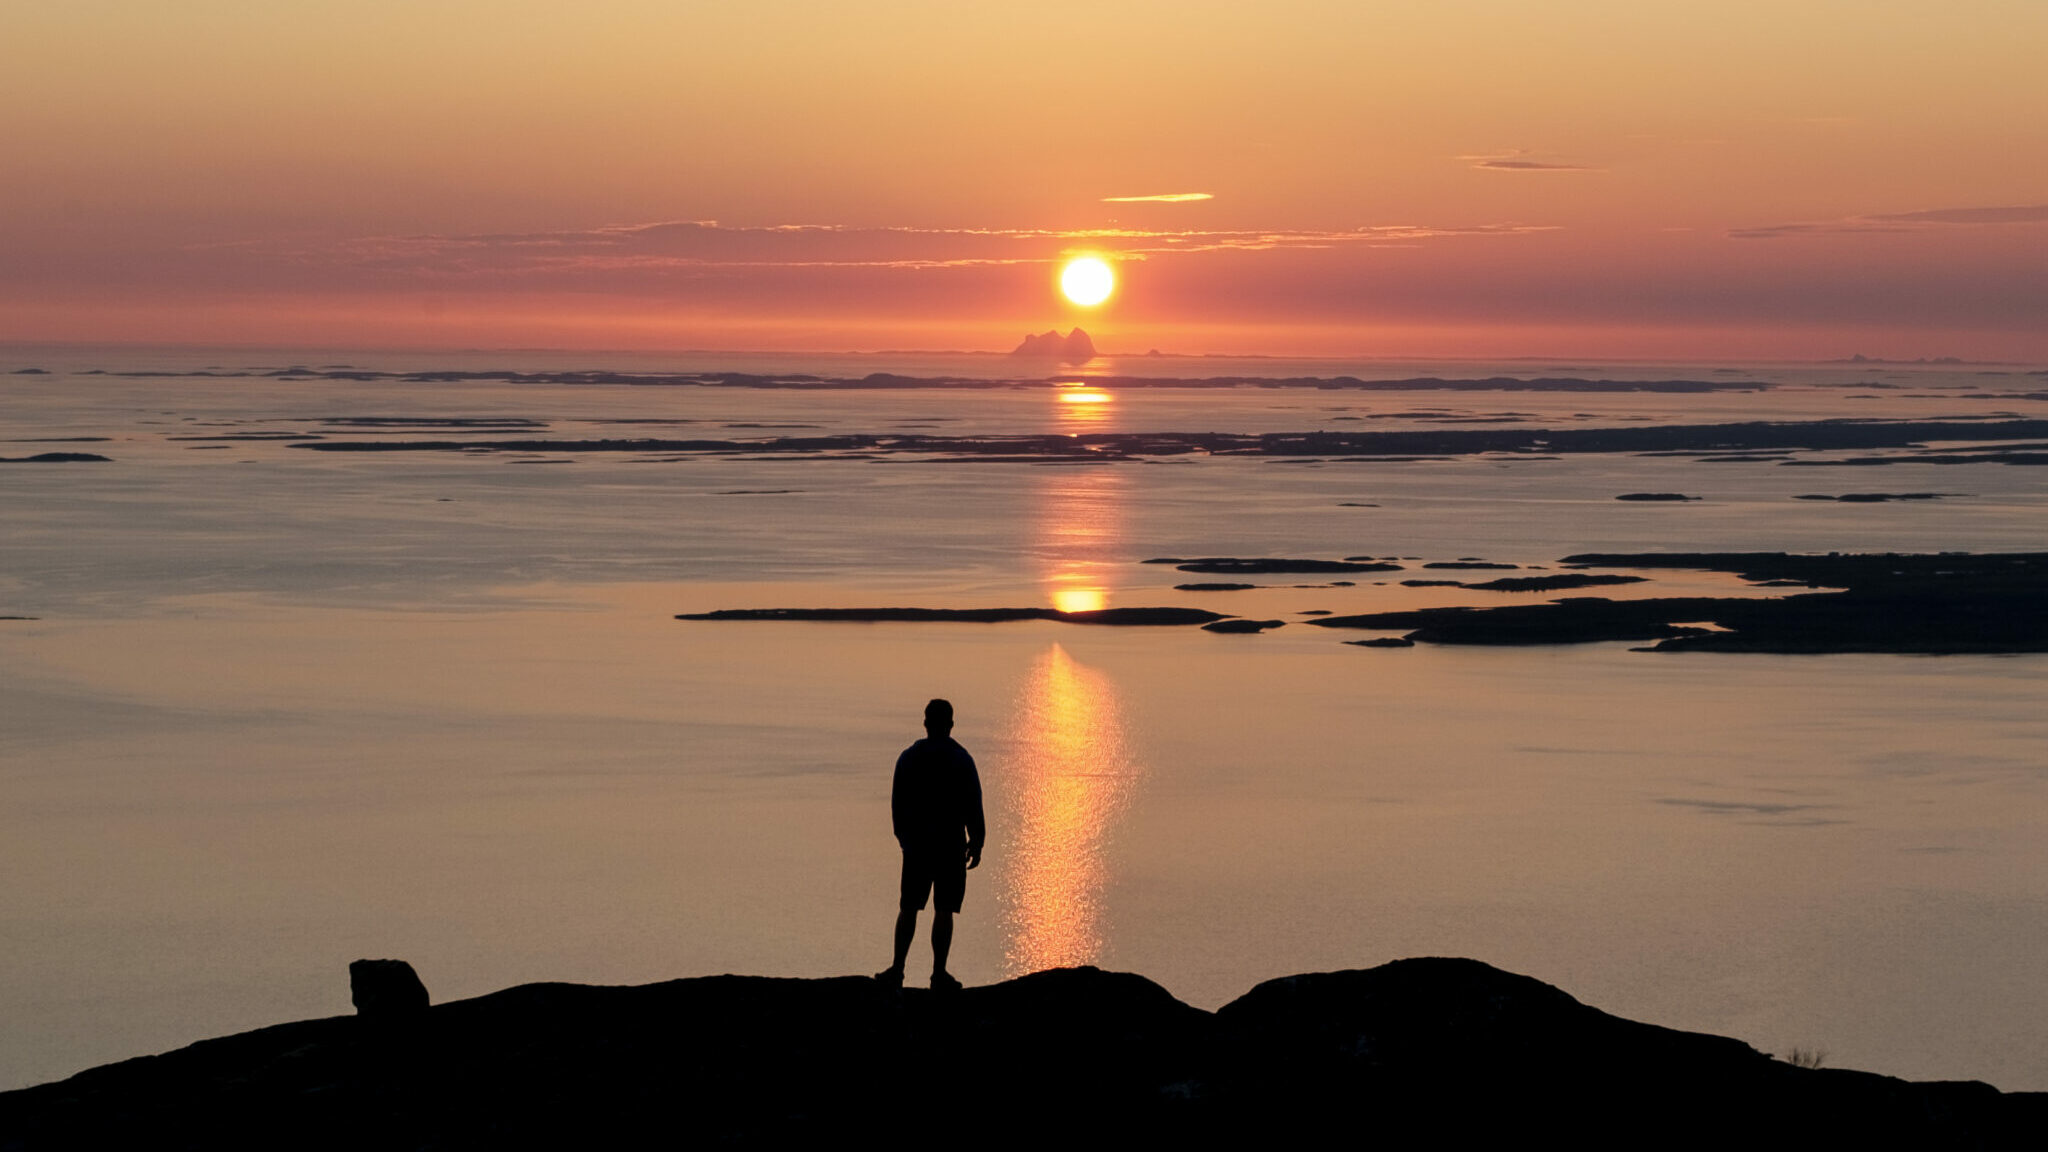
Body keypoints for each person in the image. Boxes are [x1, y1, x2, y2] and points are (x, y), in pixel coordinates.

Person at [876, 698, 984, 992]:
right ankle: (938, 974)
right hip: (948, 845)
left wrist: (905, 840)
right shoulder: (962, 759)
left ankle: (898, 970)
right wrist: (977, 841)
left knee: (909, 907)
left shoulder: (909, 757)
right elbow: (973, 804)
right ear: (950, 724)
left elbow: (898, 804)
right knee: (944, 910)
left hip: (918, 846)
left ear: (926, 723)